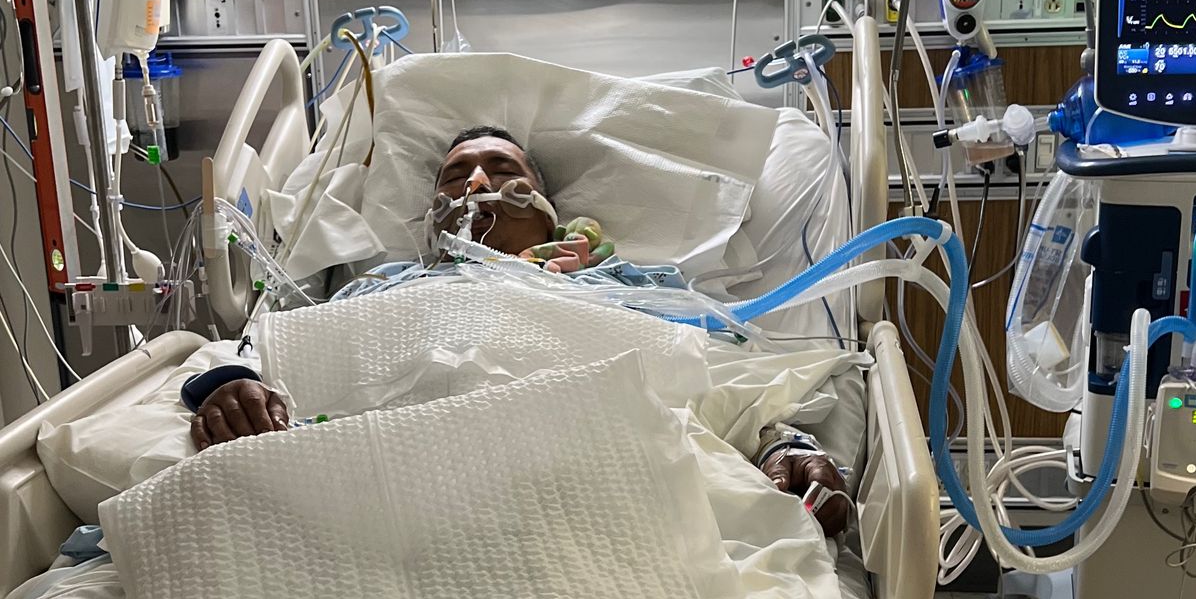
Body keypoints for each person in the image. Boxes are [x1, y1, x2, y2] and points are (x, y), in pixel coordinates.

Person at [186, 126, 851, 540]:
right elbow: (287, 352)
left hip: (591, 474)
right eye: (456, 176)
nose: (478, 183)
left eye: (505, 172)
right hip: (393, 474)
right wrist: (233, 386)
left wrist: (781, 444)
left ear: (551, 212)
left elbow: (720, 373)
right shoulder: (384, 285)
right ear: (433, 216)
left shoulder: (631, 284)